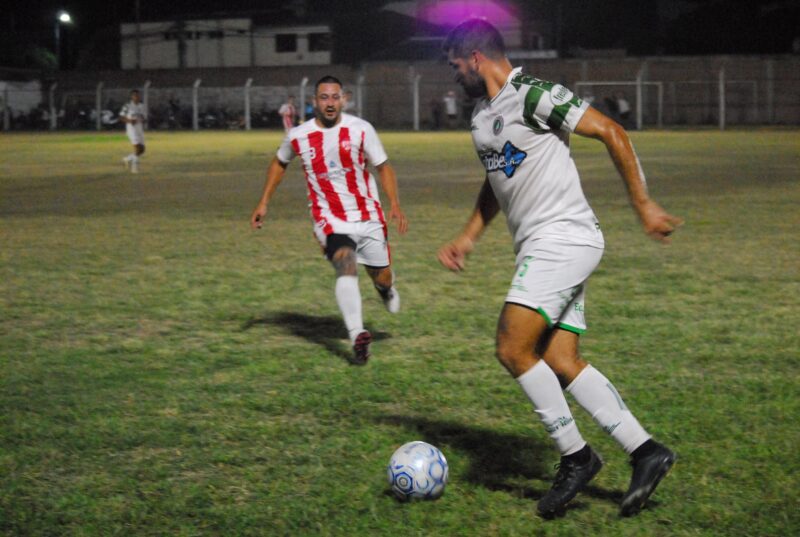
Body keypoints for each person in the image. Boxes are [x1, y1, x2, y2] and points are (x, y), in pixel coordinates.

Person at [438, 19, 682, 518]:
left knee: (512, 347)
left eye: (455, 65)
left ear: (476, 57)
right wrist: (468, 235)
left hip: (564, 239)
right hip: (541, 247)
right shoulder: (481, 117)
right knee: (559, 358)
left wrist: (644, 206)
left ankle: (577, 457)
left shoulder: (533, 94)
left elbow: (611, 131)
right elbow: (498, 179)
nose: (454, 75)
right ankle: (646, 451)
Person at [250, 75, 408, 364]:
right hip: (329, 217)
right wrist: (263, 202)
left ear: (343, 99)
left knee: (382, 275)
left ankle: (384, 289)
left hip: (367, 214)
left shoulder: (361, 129)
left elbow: (383, 166)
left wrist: (395, 203)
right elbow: (279, 162)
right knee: (345, 262)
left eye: (335, 97)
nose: (330, 103)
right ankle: (357, 335)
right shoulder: (299, 135)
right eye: (324, 97)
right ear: (314, 102)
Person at [119, 89, 146, 173]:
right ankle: (134, 168)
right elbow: (121, 117)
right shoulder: (127, 106)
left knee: (142, 150)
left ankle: (127, 159)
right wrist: (130, 121)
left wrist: (143, 119)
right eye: (135, 95)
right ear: (132, 96)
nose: (136, 97)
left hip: (139, 128)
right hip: (131, 129)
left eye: (138, 95)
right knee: (137, 147)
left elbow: (144, 117)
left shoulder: (142, 106)